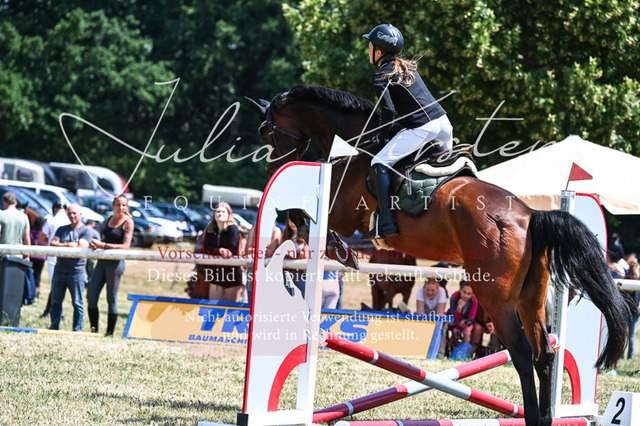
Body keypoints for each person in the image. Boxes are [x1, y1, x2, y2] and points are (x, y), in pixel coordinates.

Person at [361, 24, 453, 240]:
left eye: (370, 46)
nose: (368, 49)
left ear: (379, 52)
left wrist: (382, 136)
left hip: (423, 128)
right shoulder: (408, 68)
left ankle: (387, 222)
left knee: (378, 163)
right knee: (447, 172)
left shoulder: (380, 75)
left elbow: (388, 110)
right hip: (444, 124)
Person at [87, 195, 134, 335]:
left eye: (124, 205)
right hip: (102, 261)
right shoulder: (108, 219)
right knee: (91, 296)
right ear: (113, 205)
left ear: (127, 207)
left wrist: (103, 245)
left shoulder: (128, 222)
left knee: (111, 298)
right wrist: (95, 244)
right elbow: (100, 236)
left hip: (115, 264)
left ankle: (110, 333)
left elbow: (126, 246)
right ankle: (94, 330)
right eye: (118, 204)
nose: (121, 208)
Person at [49, 204, 92, 331]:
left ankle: (77, 330)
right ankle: (54, 327)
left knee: (77, 303)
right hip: (59, 270)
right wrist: (69, 244)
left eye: (74, 213)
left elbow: (82, 246)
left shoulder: (86, 231)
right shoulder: (62, 229)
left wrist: (62, 245)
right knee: (55, 302)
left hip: (76, 272)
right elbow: (53, 243)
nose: (72, 216)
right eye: (69, 213)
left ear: (80, 214)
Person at [199, 202, 244, 302]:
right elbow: (205, 249)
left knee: (231, 307)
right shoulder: (210, 229)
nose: (220, 214)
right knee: (213, 305)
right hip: (216, 273)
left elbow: (232, 251)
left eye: (223, 212)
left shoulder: (233, 229)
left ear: (229, 215)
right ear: (214, 214)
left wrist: (220, 251)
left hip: (231, 274)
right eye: (218, 211)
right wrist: (219, 251)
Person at [623, 253, 640, 360]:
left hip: (635, 313)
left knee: (632, 336)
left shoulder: (639, 283)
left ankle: (630, 357)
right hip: (626, 312)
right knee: (623, 335)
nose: (635, 276)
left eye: (636, 274)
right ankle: (620, 356)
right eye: (633, 274)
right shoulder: (625, 282)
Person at [29, 215, 47, 297]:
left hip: (32, 256)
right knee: (37, 275)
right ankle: (36, 293)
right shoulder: (43, 235)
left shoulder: (31, 232)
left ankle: (30, 292)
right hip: (41, 257)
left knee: (30, 275)